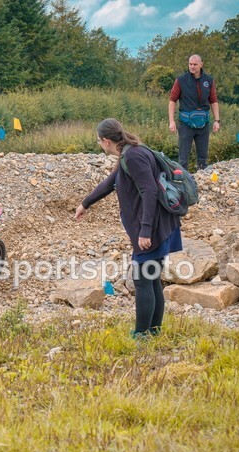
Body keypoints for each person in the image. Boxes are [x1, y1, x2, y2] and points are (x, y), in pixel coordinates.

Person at [75, 119, 182, 339]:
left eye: (98, 141)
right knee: (151, 278)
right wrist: (85, 204)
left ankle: (141, 335)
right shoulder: (130, 153)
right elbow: (109, 182)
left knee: (143, 279)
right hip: (158, 224)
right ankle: (154, 331)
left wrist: (144, 231)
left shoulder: (132, 156)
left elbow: (150, 191)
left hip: (153, 228)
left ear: (106, 141)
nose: (99, 145)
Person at [168, 55, 221, 172]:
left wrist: (217, 121)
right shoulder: (181, 80)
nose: (192, 67)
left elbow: (213, 100)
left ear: (201, 64)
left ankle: (203, 182)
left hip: (203, 123)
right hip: (186, 124)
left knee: (203, 158)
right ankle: (184, 183)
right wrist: (171, 121)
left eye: (195, 64)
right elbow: (172, 100)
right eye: (190, 64)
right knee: (183, 158)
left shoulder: (209, 80)